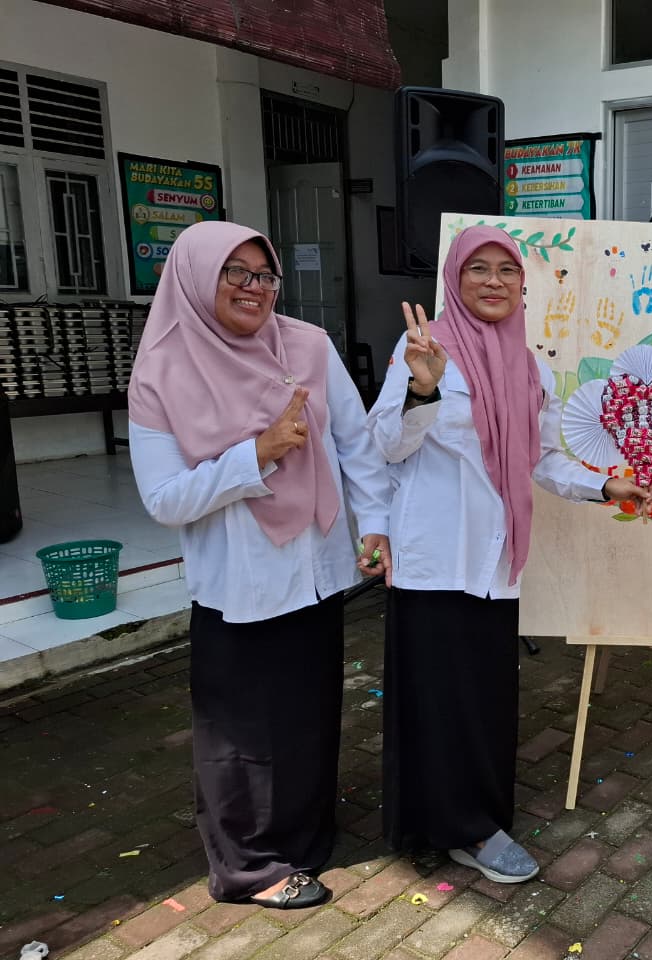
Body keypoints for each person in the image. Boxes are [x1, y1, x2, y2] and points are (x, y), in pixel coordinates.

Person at [369, 225, 652, 883]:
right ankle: (448, 827)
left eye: (507, 269)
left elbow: (542, 460)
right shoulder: (423, 348)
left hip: (495, 560)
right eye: (478, 268)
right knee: (434, 698)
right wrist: (422, 391)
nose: (493, 281)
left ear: (523, 283)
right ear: (454, 277)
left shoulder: (532, 368)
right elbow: (386, 445)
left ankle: (474, 823)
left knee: (483, 699)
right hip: (435, 557)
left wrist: (604, 485)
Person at [129, 220, 391, 909]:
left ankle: (303, 838)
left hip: (317, 566)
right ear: (195, 276)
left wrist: (377, 524)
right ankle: (248, 867)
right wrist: (257, 455)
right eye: (235, 272)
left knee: (309, 711)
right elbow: (164, 498)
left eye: (264, 274)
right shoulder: (162, 371)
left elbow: (356, 443)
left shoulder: (307, 345)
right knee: (239, 730)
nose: (254, 287)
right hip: (239, 582)